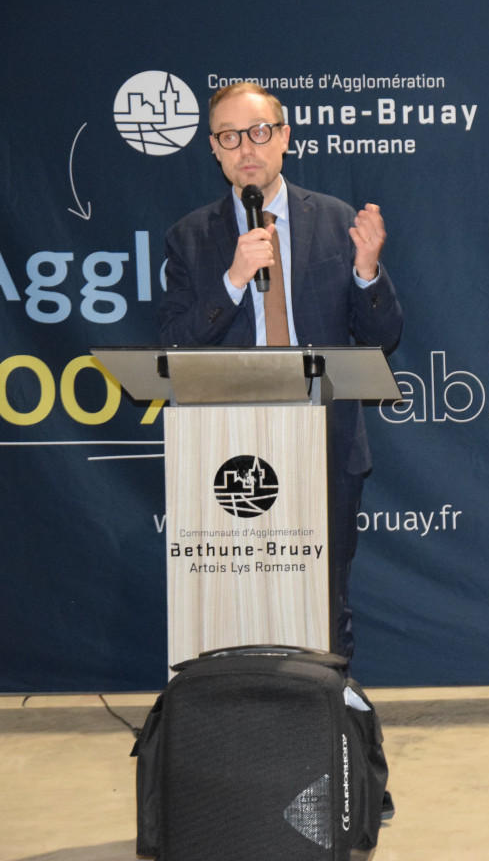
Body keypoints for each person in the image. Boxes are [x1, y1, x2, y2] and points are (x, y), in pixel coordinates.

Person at [159, 81, 404, 663]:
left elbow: (382, 338)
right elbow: (173, 347)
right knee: (232, 598)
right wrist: (233, 280)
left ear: (285, 138)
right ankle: (240, 726)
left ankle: (333, 720)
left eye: (259, 132)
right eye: (229, 136)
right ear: (214, 150)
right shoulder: (191, 237)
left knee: (325, 597)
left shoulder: (336, 221)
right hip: (226, 449)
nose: (246, 147)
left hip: (324, 439)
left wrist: (367, 271)